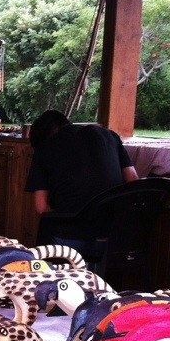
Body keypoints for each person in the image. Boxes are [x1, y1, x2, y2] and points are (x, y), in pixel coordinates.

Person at [24, 109, 139, 255]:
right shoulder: (111, 137)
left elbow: (41, 207)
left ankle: (48, 274)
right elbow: (133, 182)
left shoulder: (45, 146)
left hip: (69, 243)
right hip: (114, 240)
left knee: (47, 225)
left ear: (42, 137)